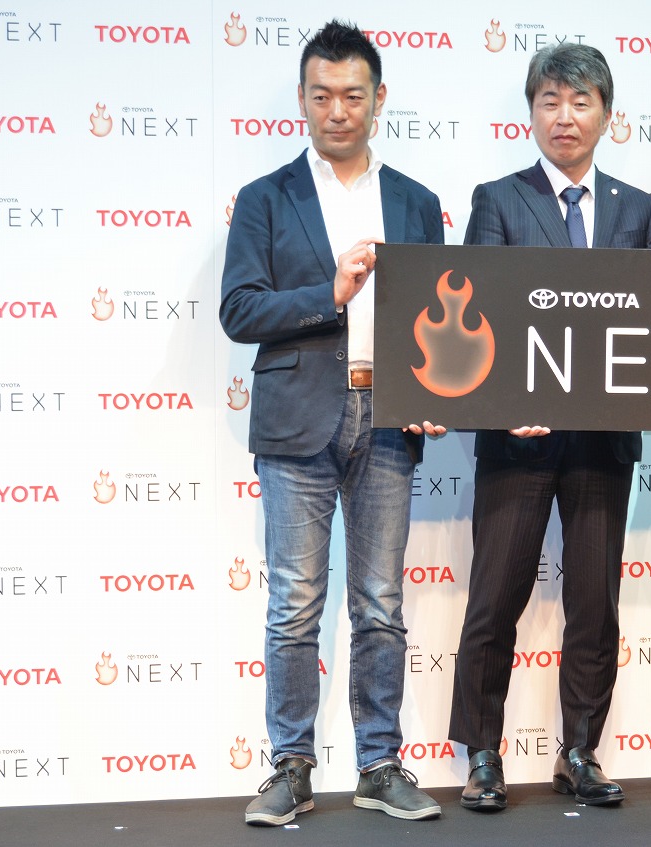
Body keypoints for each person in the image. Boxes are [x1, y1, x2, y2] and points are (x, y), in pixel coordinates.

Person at [219, 19, 446, 827]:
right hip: (298, 419)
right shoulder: (265, 197)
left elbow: (440, 319)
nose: (338, 110)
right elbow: (239, 310)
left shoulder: (417, 201)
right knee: (294, 603)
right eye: (322, 96)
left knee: (380, 602)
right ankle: (290, 766)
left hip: (390, 415)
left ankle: (379, 764)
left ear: (379, 98)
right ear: (302, 99)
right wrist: (332, 296)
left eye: (353, 95)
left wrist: (440, 394)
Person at [448, 43, 651, 812]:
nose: (564, 116)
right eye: (549, 101)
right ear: (531, 113)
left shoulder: (639, 209)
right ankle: (483, 754)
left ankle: (580, 750)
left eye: (580, 102)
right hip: (519, 438)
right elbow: (480, 313)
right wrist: (506, 400)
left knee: (595, 604)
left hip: (603, 441)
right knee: (494, 598)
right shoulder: (498, 199)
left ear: (607, 114)